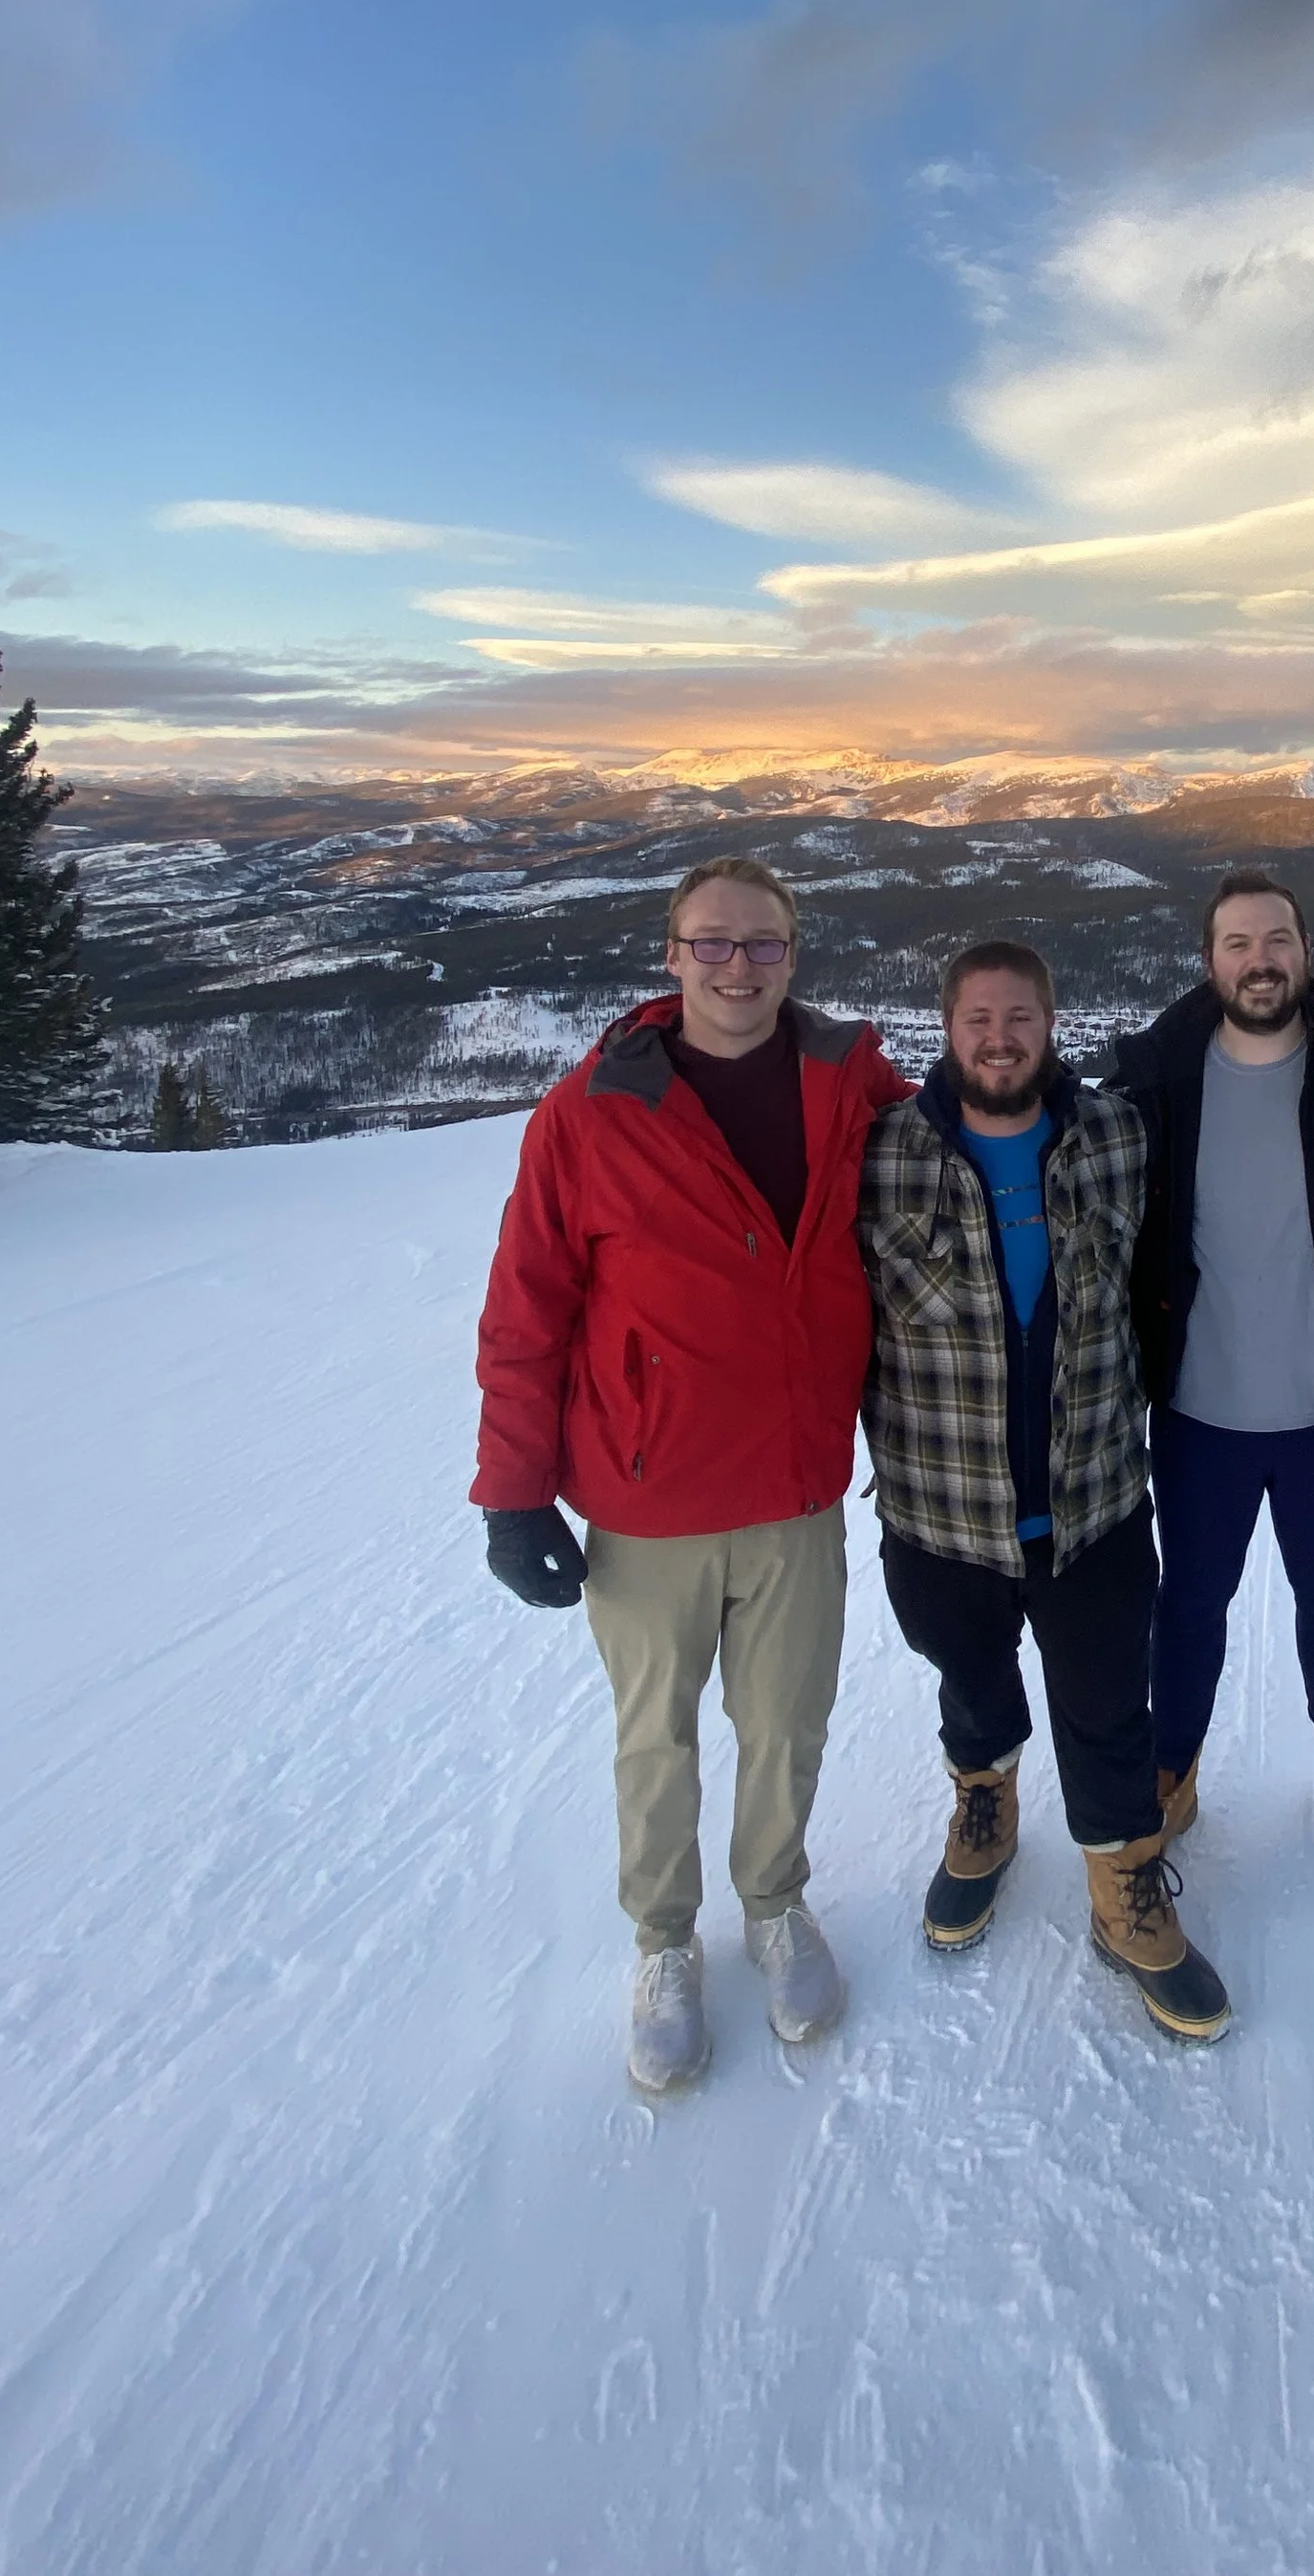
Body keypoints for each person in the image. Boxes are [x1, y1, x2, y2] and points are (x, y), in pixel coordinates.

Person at [471, 856, 910, 2093]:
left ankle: (773, 1903)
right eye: (711, 942)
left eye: (762, 943)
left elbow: (965, 1134)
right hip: (648, 1494)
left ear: (793, 955)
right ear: (670, 956)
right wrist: (512, 1490)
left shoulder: (848, 1079)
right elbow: (526, 1312)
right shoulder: (588, 1114)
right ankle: (665, 1942)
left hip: (794, 1487)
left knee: (785, 1723)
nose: (737, 966)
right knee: (654, 1738)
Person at [861, 942, 1231, 2043]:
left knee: (1110, 1705)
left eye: (1019, 1016)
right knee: (970, 1681)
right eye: (978, 1018)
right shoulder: (880, 1152)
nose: (999, 1038)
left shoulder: (1115, 1135)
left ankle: (1124, 1886)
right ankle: (985, 1800)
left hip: (1093, 1502)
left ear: (1051, 1022)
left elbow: (1265, 1114)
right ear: (946, 1027)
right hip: (939, 1510)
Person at [1109, 870, 1314, 1854]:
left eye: (1277, 939)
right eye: (1238, 943)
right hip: (1201, 1412)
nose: (1260, 960)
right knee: (1191, 1605)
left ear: (1306, 951)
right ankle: (1172, 1766)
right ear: (1209, 962)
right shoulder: (1156, 1084)